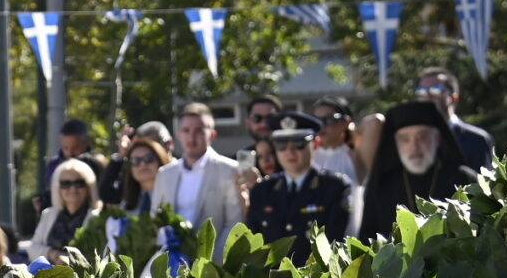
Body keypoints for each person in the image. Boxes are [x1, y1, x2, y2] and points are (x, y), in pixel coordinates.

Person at [245, 112, 353, 263]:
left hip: (316, 275)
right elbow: (253, 244)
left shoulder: (334, 187)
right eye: (281, 145)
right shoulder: (262, 190)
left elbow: (336, 242)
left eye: (299, 144)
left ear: (315, 144)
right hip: (272, 275)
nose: (289, 152)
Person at [358, 99, 471, 239]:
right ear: (396, 143)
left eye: (422, 137)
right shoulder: (382, 184)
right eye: (405, 139)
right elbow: (367, 238)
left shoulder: (463, 179)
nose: (414, 147)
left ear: (437, 139)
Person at [147, 102, 245, 232]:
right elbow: (155, 218)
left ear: (212, 135)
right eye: (186, 130)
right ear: (178, 134)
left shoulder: (230, 170)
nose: (191, 138)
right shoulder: (165, 173)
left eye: (199, 131)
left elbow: (234, 223)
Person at [413, 68, 495, 170]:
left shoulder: (477, 140)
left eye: (436, 90)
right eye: (422, 91)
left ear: (453, 98)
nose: (428, 97)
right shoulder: (412, 140)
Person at [26, 157, 101, 261]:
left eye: (79, 183)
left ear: (89, 186)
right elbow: (32, 249)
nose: (73, 189)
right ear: (58, 188)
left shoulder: (98, 218)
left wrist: (70, 260)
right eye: (66, 184)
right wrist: (52, 254)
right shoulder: (48, 214)